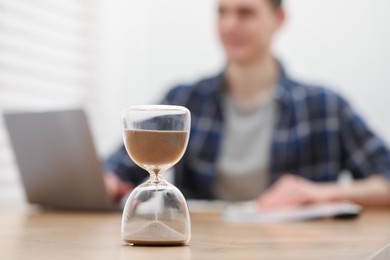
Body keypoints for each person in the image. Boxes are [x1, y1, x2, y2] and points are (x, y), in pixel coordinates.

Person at [104, 0, 390, 209]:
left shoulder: (325, 107)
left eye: (245, 13)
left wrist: (320, 194)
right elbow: (117, 167)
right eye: (222, 12)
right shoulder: (184, 100)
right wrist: (106, 182)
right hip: (204, 247)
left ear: (279, 19)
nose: (229, 25)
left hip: (298, 249)